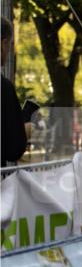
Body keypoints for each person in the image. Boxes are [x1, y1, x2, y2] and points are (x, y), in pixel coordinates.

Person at [1, 17, 28, 166]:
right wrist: (25, 131)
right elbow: (13, 149)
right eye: (10, 45)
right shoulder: (4, 89)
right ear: (3, 44)